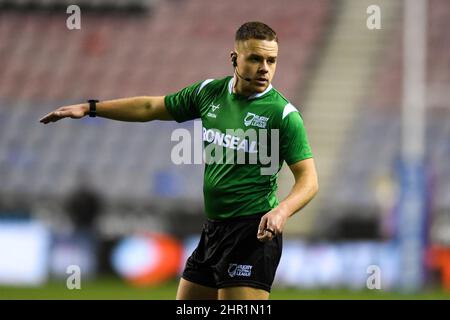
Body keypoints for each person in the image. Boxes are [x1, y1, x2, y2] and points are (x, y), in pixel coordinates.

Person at [39, 21, 319, 300]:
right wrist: (90, 108)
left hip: (252, 233)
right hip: (214, 230)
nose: (264, 68)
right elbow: (152, 106)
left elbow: (309, 179)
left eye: (272, 60)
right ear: (234, 58)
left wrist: (282, 211)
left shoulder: (283, 115)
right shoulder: (209, 93)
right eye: (255, 58)